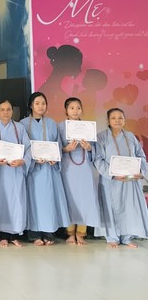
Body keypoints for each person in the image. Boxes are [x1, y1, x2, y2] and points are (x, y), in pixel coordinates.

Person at [19, 92, 70, 246]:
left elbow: (57, 144)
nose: (41, 106)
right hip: (33, 170)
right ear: (31, 105)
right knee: (33, 201)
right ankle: (34, 233)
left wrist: (55, 157)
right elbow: (22, 147)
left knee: (48, 200)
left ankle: (49, 232)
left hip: (49, 169)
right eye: (37, 103)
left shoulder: (52, 123)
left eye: (43, 103)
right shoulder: (22, 124)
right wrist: (32, 159)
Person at [94, 108, 148, 248]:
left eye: (120, 118)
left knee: (129, 208)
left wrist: (140, 171)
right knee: (111, 208)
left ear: (124, 120)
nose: (117, 120)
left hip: (130, 180)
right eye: (113, 118)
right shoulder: (101, 137)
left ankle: (127, 237)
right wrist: (112, 174)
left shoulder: (130, 136)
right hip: (111, 180)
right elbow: (98, 159)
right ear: (108, 120)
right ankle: (112, 237)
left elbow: (141, 155)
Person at [0, 100, 31, 247]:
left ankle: (14, 234)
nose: (5, 112)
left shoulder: (20, 128)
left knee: (16, 202)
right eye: (2, 109)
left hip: (15, 171)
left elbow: (28, 148)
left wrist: (23, 161)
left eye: (8, 109)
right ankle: (2, 235)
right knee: (0, 201)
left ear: (12, 111)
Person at [58, 97, 101, 245]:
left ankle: (81, 233)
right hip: (67, 168)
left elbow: (95, 149)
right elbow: (55, 148)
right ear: (66, 110)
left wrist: (89, 148)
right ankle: (70, 233)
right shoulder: (60, 127)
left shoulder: (88, 127)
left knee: (85, 199)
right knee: (69, 198)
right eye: (72, 108)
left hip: (84, 169)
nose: (75, 111)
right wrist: (65, 149)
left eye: (78, 108)